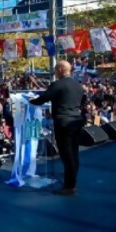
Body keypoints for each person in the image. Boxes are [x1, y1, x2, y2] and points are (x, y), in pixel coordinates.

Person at [30, 60, 85, 196]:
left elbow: (43, 98)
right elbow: (83, 101)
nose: (54, 72)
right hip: (76, 121)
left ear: (60, 69)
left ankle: (69, 186)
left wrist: (29, 100)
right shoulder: (78, 85)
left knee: (67, 155)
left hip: (63, 123)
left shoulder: (58, 84)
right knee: (74, 152)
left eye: (55, 69)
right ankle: (72, 181)